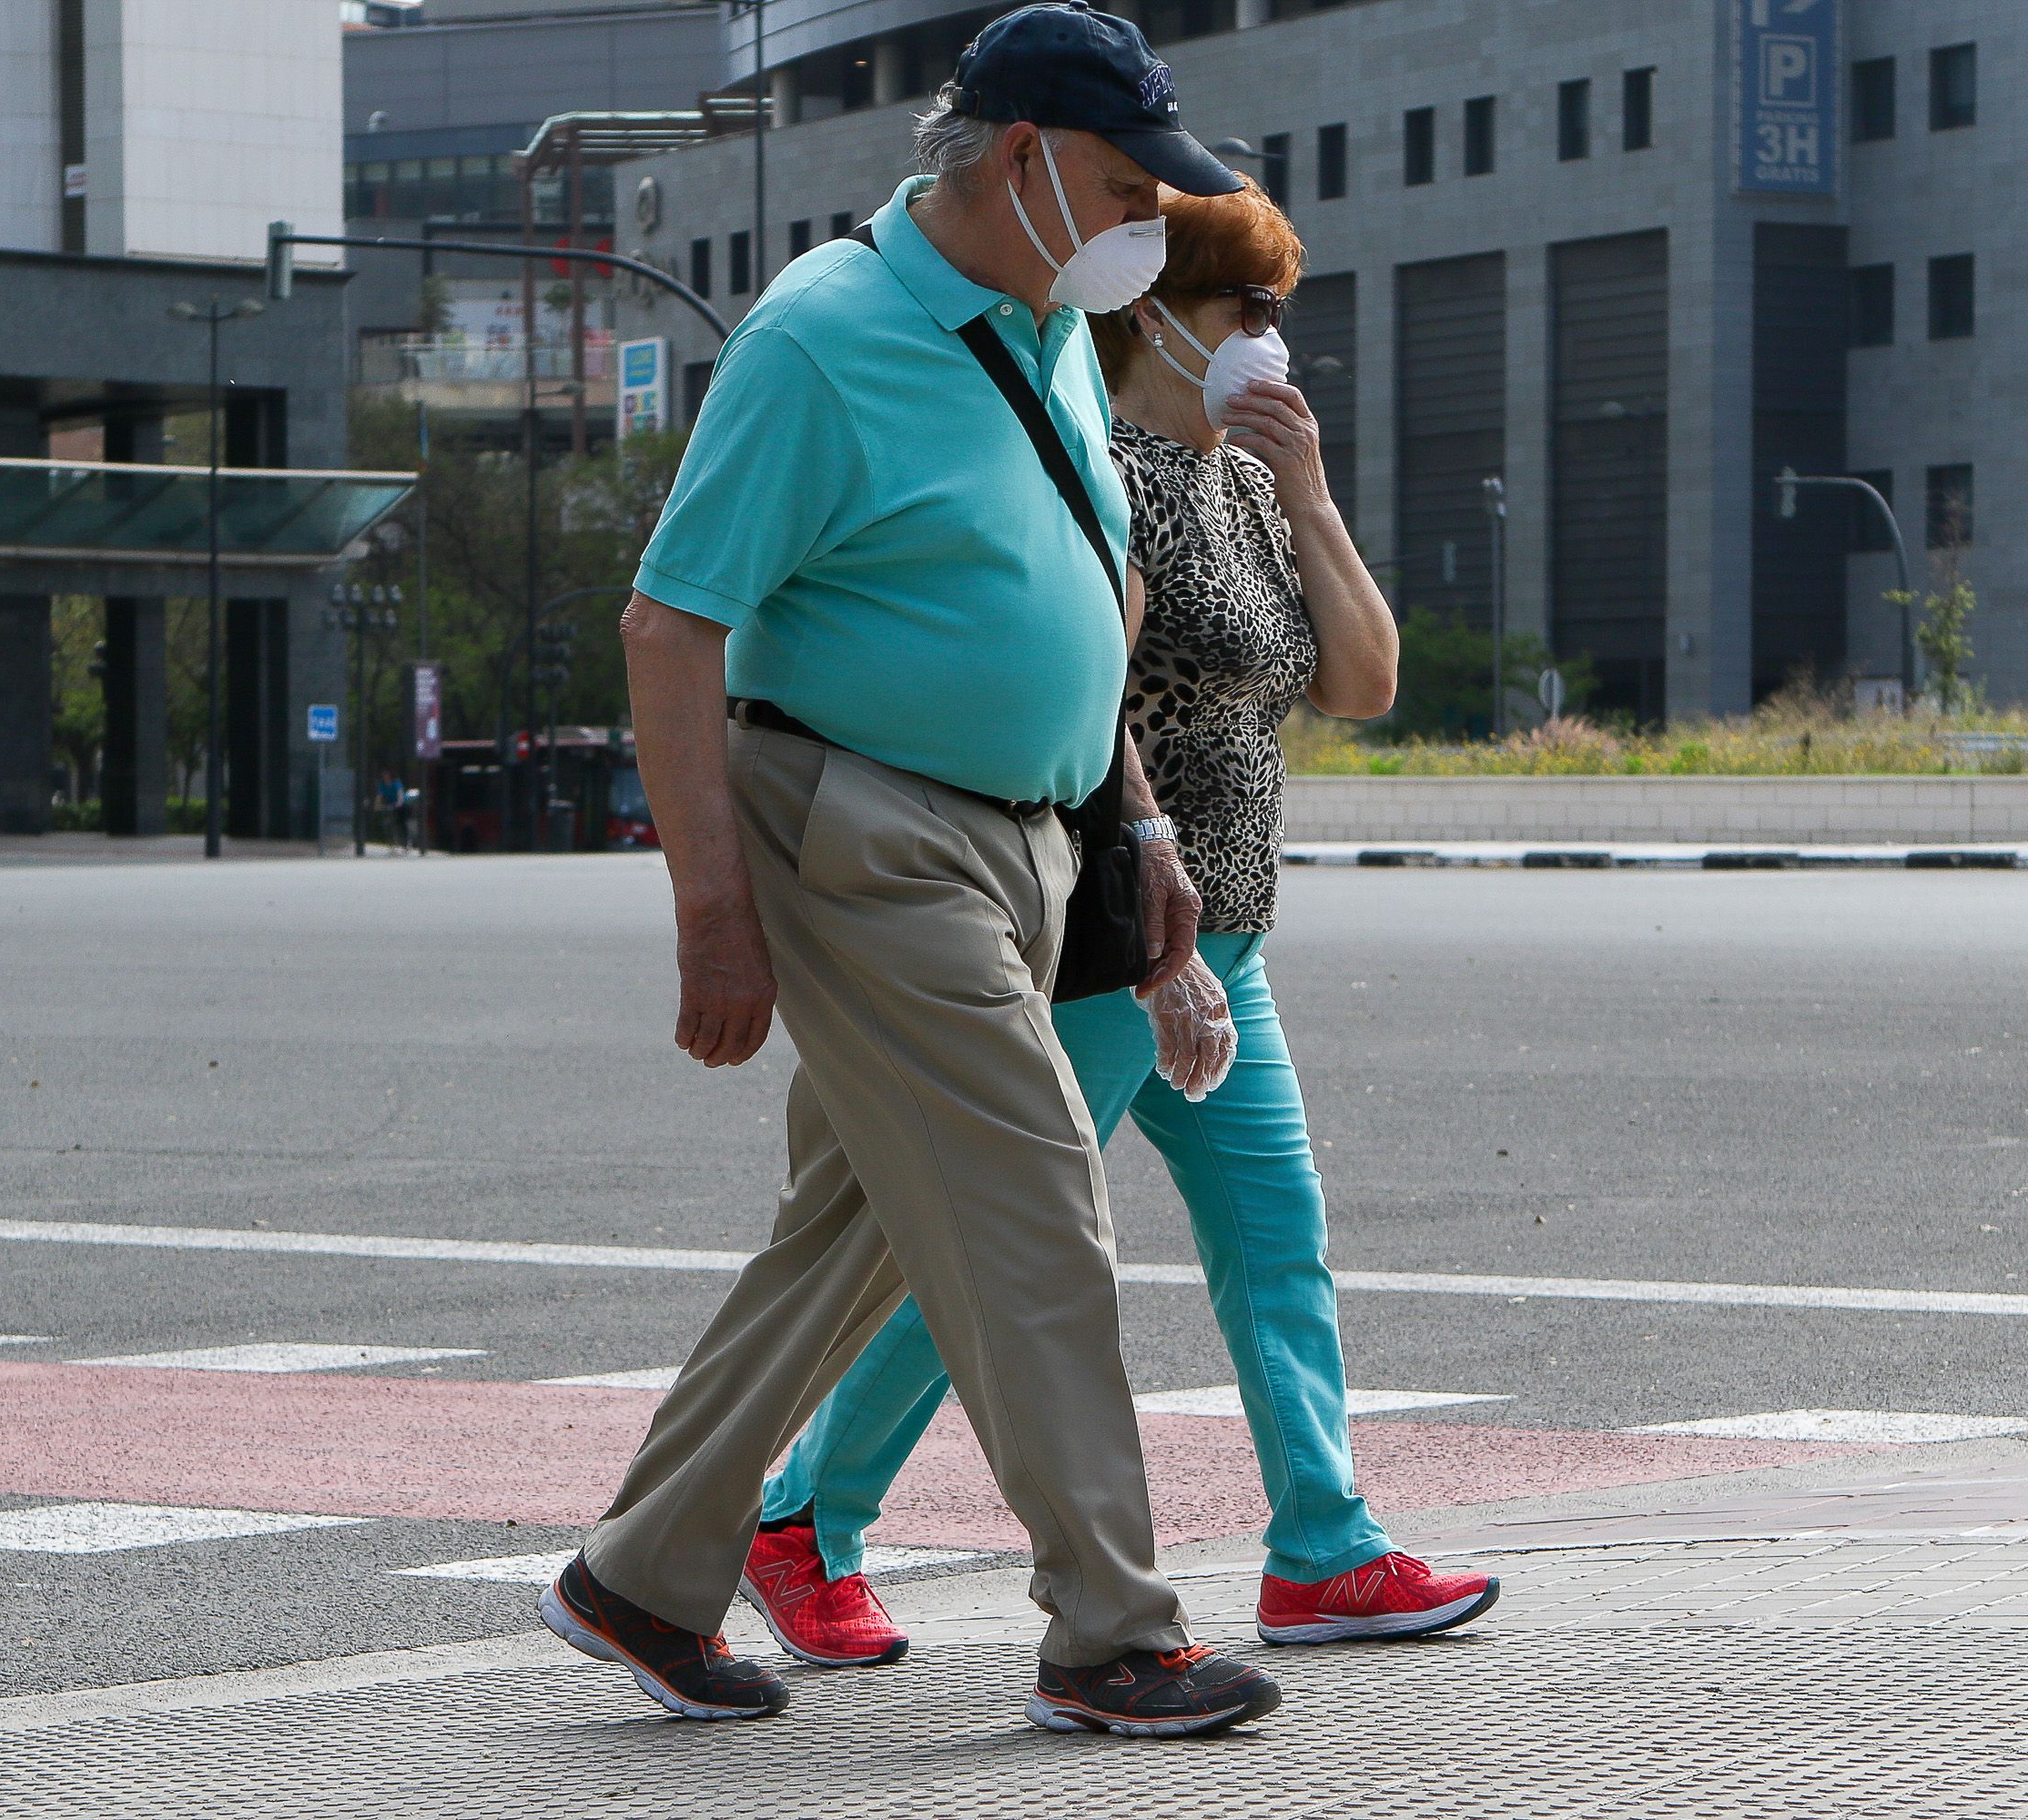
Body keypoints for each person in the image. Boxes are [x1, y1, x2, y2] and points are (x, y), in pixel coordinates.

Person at [540, 2, 1283, 1740]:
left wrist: (1141, 823)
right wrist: (713, 917)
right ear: (1019, 158)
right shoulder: (822, 337)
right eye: (1121, 187)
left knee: (860, 1223)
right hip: (866, 833)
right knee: (1034, 1198)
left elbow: (1084, 602)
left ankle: (642, 1574)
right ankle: (1112, 1631)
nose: (1145, 230)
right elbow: (672, 621)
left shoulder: (1043, 327)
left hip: (1027, 839)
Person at [738, 177, 1503, 1669]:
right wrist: (1151, 916)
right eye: (1247, 309)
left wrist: (1312, 493)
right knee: (987, 1254)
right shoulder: (1116, 473)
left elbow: (1360, 683)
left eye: (1282, 312)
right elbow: (1086, 703)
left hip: (1235, 945)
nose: (1272, 340)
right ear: (1153, 311)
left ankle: (1323, 1551)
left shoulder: (1237, 478)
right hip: (1109, 942)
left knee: (1278, 1241)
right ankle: (801, 1522)